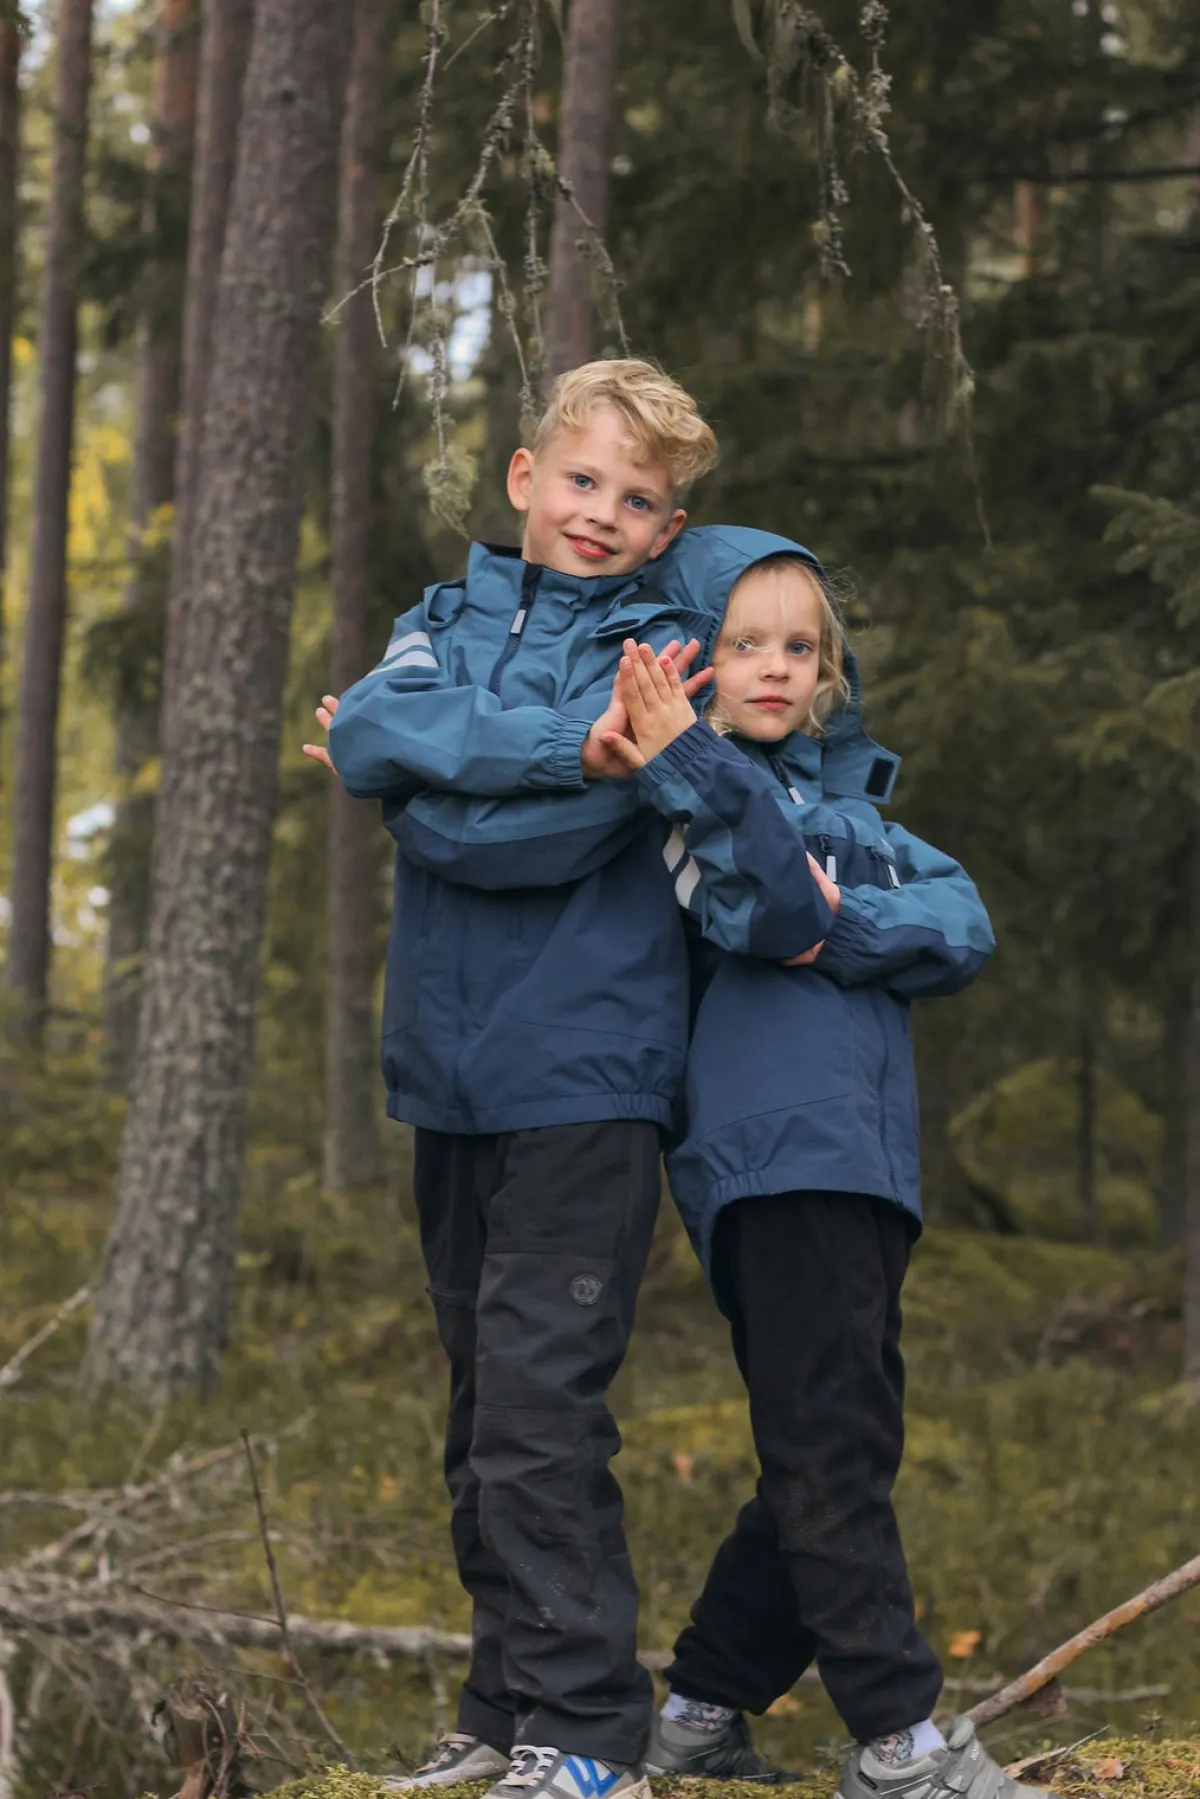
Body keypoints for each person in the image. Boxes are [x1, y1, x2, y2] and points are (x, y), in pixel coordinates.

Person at [312, 364, 754, 1799]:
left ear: (668, 524)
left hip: (588, 1069)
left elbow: (494, 831)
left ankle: (588, 1732)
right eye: (582, 481)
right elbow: (376, 732)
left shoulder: (665, 647)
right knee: (478, 1402)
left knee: (540, 1404)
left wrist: (448, 784)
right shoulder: (436, 622)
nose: (602, 513)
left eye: (637, 499)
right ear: (521, 477)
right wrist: (563, 751)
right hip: (452, 1072)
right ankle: (502, 1703)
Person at [593, 533, 1051, 1799]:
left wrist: (845, 916)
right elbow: (764, 912)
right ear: (693, 660)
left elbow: (962, 926)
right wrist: (690, 752)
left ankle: (699, 1707)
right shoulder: (681, 794)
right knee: (829, 1448)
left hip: (864, 1161)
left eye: (802, 647)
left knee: (839, 1443)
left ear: (831, 671)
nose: (777, 668)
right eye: (746, 644)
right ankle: (897, 1740)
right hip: (769, 1157)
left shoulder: (857, 818)